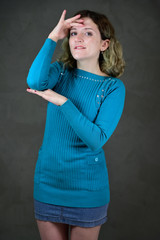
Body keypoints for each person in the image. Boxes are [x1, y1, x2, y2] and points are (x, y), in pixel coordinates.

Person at [26, 9, 125, 240]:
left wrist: (63, 102)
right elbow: (34, 81)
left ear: (104, 44)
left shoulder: (112, 88)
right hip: (48, 183)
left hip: (86, 189)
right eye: (73, 33)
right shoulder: (60, 73)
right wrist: (53, 37)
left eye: (88, 33)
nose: (78, 38)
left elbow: (95, 139)